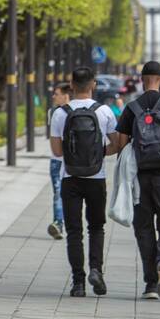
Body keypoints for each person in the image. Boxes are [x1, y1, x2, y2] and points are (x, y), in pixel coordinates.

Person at [113, 61, 160, 300]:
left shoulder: (131, 108)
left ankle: (150, 285)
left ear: (141, 78)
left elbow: (121, 146)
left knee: (144, 229)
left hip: (139, 180)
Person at [50, 68, 119, 297]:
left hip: (70, 178)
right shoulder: (104, 111)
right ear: (94, 84)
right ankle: (96, 270)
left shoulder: (60, 113)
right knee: (96, 227)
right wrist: (98, 154)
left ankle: (78, 282)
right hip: (96, 177)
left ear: (71, 84)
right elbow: (117, 144)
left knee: (73, 231)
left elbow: (57, 151)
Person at [46, 82, 73, 240]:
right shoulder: (54, 111)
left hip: (58, 159)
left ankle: (60, 223)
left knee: (59, 193)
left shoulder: (55, 113)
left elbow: (53, 139)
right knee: (59, 193)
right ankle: (59, 223)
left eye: (56, 93)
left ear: (66, 95)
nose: (54, 96)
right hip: (70, 160)